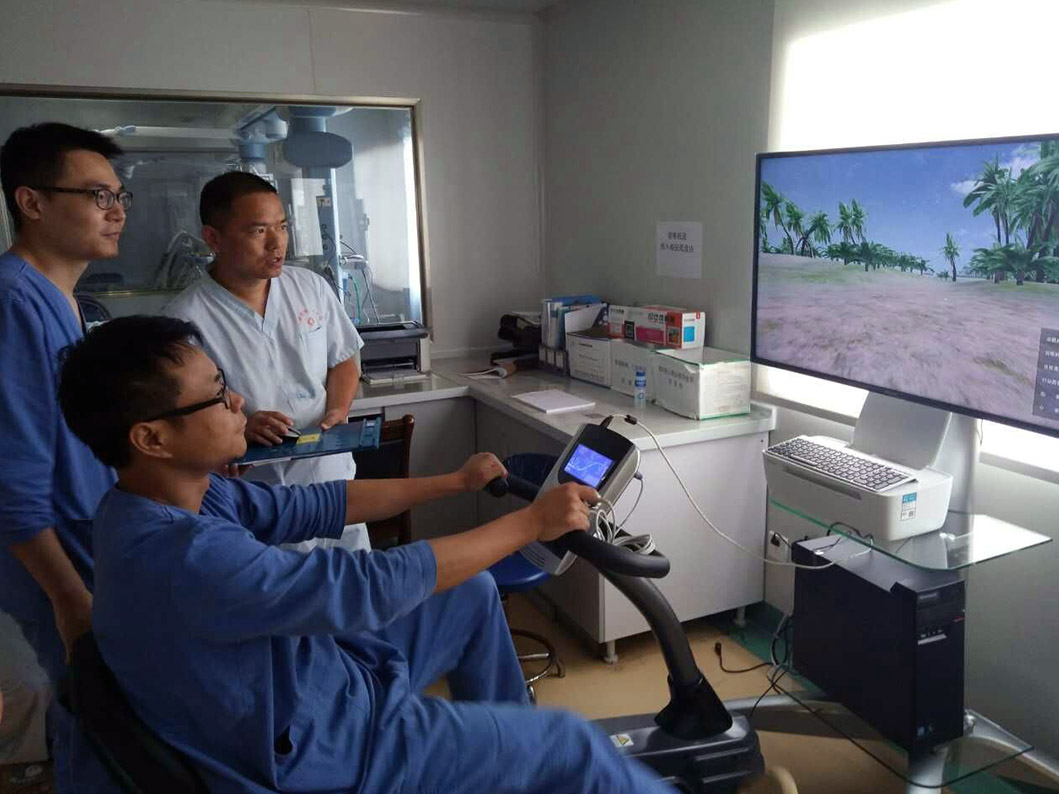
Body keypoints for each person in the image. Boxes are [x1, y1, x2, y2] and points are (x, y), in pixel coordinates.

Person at [58, 314, 676, 794]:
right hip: (325, 748)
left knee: (470, 591)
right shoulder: (182, 555)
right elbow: (366, 585)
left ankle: (507, 767)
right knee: (569, 744)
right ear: (152, 438)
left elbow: (320, 505)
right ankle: (529, 760)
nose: (238, 402)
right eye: (218, 394)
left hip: (314, 678)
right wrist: (531, 522)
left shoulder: (171, 497)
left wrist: (453, 482)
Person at [0, 122, 129, 793]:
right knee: (96, 731)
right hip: (57, 567)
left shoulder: (62, 301)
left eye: (119, 195)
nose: (117, 210)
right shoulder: (12, 302)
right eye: (97, 195)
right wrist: (68, 597)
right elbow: (13, 479)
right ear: (32, 201)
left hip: (90, 545)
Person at [164, 171, 368, 552]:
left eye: (282, 227)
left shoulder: (310, 287)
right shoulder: (185, 319)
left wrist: (338, 410)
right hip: (259, 493)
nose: (277, 243)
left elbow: (343, 359)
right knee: (282, 583)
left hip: (331, 476)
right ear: (214, 238)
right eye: (258, 231)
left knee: (354, 578)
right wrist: (242, 427)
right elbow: (183, 418)